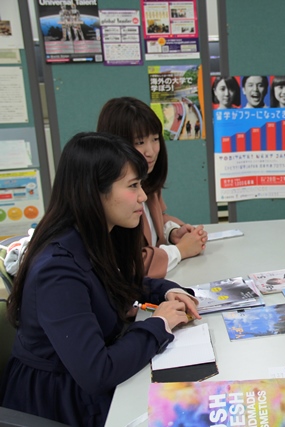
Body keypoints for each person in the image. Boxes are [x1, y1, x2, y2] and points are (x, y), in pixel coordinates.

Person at [0, 133, 201, 427]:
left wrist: (168, 292)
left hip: (83, 388)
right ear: (94, 191)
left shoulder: (94, 237)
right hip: (59, 404)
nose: (143, 197)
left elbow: (124, 286)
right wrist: (159, 325)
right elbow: (97, 372)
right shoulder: (57, 269)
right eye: (133, 186)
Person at [97, 97, 207, 278]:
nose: (150, 151)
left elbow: (155, 219)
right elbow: (128, 266)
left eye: (155, 139)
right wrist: (180, 251)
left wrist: (172, 232)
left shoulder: (146, 181)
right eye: (139, 142)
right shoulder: (112, 199)